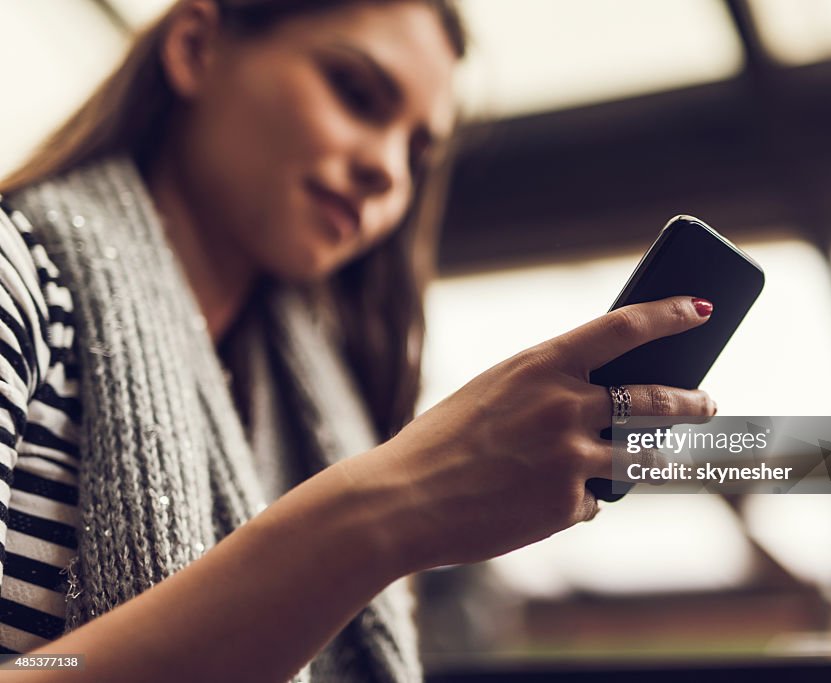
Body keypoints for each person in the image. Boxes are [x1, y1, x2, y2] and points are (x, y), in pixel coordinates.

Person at [0, 0, 716, 681]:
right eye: (355, 92)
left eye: (418, 150)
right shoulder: (17, 279)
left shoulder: (320, 397)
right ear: (196, 49)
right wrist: (383, 510)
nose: (389, 170)